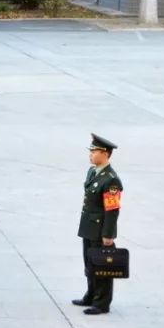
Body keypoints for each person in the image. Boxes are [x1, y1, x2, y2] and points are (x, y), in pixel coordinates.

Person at [72, 134, 123, 315]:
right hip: (89, 227)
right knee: (90, 263)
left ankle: (101, 303)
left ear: (106, 153)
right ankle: (91, 295)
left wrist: (108, 235)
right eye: (91, 151)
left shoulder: (111, 180)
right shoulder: (93, 172)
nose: (91, 154)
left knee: (102, 267)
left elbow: (112, 210)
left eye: (94, 151)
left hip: (101, 230)